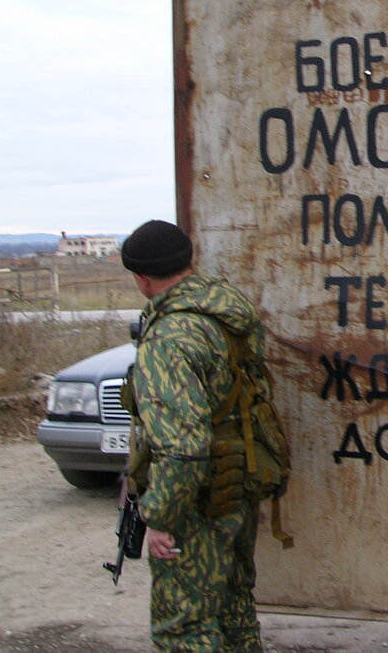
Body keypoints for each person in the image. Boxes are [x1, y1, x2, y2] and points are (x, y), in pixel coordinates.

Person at [121, 219, 267, 652]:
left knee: (183, 626)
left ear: (143, 280)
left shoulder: (168, 337)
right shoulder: (227, 310)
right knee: (233, 608)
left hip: (198, 499)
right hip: (240, 478)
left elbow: (183, 447)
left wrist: (161, 517)